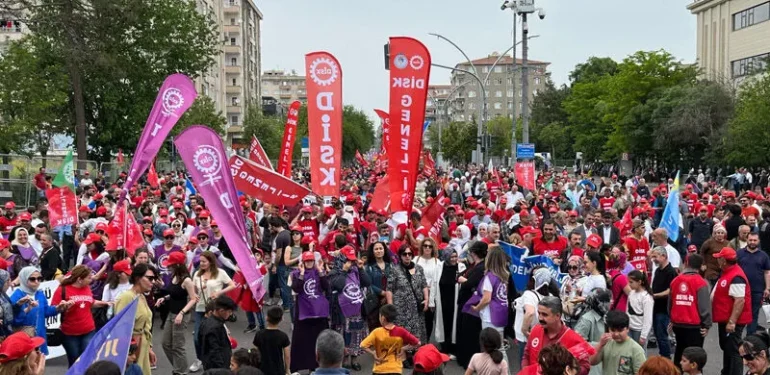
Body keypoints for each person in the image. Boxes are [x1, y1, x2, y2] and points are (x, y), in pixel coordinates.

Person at [52, 265, 112, 367]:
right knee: (74, 361)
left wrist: (104, 303)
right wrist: (63, 307)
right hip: (70, 333)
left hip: (88, 330)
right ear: (80, 279)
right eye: (89, 277)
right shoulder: (62, 290)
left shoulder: (87, 288)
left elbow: (90, 302)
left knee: (87, 359)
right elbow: (54, 309)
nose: (92, 279)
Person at [462, 246, 510, 367]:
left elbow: (486, 298)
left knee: (490, 348)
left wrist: (477, 307)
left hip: (490, 317)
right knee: (500, 348)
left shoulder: (490, 277)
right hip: (501, 314)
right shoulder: (503, 276)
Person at [191, 251, 237, 373]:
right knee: (197, 338)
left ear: (211, 262)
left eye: (203, 261)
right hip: (201, 308)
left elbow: (232, 285)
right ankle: (200, 358)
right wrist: (195, 295)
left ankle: (222, 362)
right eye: (200, 261)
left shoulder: (220, 273)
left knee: (218, 335)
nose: (201, 264)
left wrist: (218, 293)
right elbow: (194, 290)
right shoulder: (197, 274)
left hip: (215, 309)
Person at [10, 266, 71, 355]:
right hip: (24, 338)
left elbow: (45, 311)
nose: (37, 282)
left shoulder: (40, 293)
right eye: (32, 279)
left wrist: (58, 308)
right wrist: (27, 310)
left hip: (39, 336)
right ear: (24, 279)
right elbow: (14, 320)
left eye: (39, 278)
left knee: (39, 365)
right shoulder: (17, 296)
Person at [522, 296, 591, 375]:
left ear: (557, 316)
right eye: (539, 313)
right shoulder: (536, 330)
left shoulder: (574, 339)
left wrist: (573, 372)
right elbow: (526, 354)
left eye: (545, 314)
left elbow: (585, 366)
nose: (540, 318)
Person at [155, 251, 198, 375]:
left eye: (171, 265)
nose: (168, 267)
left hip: (181, 315)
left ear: (177, 265)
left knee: (178, 346)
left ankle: (180, 371)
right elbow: (174, 293)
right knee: (165, 344)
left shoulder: (187, 280)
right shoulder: (174, 277)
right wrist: (165, 298)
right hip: (171, 313)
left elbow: (194, 298)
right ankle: (178, 368)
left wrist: (182, 313)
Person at [711, 246, 752, 375]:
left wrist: (732, 321)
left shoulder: (736, 276)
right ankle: (727, 371)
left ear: (723, 260)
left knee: (734, 350)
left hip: (732, 321)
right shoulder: (729, 272)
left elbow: (740, 301)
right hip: (726, 319)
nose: (717, 260)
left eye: (719, 258)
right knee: (727, 348)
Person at [329, 244, 370, 370]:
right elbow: (338, 285)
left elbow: (367, 282)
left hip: (357, 310)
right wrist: (344, 271)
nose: (351, 263)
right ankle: (344, 359)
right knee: (343, 334)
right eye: (348, 260)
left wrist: (361, 269)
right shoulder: (334, 271)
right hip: (342, 310)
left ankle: (355, 359)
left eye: (352, 260)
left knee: (356, 333)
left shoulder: (356, 270)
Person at [668, 253, 711, 370]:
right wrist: (706, 325)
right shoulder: (701, 282)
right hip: (694, 326)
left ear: (686, 264)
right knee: (696, 358)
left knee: (679, 354)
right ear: (701, 266)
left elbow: (670, 303)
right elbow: (704, 307)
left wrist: (672, 319)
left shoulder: (675, 281)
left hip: (678, 324)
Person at [114, 263, 158, 375]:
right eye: (150, 278)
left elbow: (145, 325)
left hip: (142, 345)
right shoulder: (126, 297)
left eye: (154, 278)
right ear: (138, 278)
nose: (153, 281)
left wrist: (149, 349)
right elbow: (120, 328)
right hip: (131, 349)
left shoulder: (142, 296)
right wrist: (126, 354)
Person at [290, 251, 330, 373]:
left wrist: (320, 270)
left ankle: (316, 366)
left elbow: (326, 287)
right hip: (304, 312)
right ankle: (297, 367)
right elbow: (296, 288)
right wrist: (302, 274)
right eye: (307, 261)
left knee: (319, 340)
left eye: (311, 260)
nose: (309, 263)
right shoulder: (295, 273)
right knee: (302, 341)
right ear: (302, 262)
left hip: (318, 312)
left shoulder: (319, 273)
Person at [386, 244, 428, 345]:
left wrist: (426, 299)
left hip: (417, 308)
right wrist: (390, 306)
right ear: (400, 255)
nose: (407, 256)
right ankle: (403, 356)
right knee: (402, 333)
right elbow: (389, 289)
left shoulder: (419, 269)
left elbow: (424, 285)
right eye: (405, 254)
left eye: (410, 254)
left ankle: (416, 355)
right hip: (401, 309)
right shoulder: (394, 270)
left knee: (417, 333)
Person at [360, 304, 420, 375]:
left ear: (382, 318)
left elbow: (362, 345)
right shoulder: (401, 331)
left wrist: (373, 353)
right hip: (395, 369)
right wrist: (404, 348)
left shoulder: (377, 332)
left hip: (380, 369)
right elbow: (418, 343)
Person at [455, 241, 488, 368]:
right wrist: (463, 279)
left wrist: (464, 280)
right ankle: (465, 358)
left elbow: (469, 283)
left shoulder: (481, 267)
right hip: (466, 302)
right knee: (465, 331)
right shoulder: (475, 265)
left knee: (471, 333)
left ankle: (469, 361)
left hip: (471, 304)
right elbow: (460, 276)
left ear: (474, 253)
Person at [588, 310, 646, 375]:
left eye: (620, 330)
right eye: (612, 330)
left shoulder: (636, 349)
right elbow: (592, 361)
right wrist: (600, 345)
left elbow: (641, 372)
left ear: (627, 329)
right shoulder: (606, 343)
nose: (616, 334)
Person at [737, 232, 770, 335]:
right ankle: (737, 337)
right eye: (750, 240)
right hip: (740, 289)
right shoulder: (739, 253)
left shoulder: (763, 256)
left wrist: (767, 288)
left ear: (758, 241)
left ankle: (750, 339)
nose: (752, 242)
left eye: (755, 240)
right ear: (747, 240)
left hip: (757, 290)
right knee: (739, 313)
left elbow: (767, 272)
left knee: (754, 314)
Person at [649, 246, 677, 359]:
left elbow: (670, 291)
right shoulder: (658, 271)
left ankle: (666, 359)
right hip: (656, 308)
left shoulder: (671, 272)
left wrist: (654, 295)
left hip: (664, 310)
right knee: (658, 335)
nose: (653, 259)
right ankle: (663, 357)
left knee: (662, 336)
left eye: (655, 257)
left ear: (663, 256)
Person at [574, 289, 611, 375]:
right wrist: (599, 344)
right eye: (607, 300)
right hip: (592, 365)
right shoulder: (586, 319)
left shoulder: (606, 316)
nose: (611, 302)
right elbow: (578, 344)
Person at [438, 249, 465, 356]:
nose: (454, 259)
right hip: (443, 301)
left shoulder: (461, 267)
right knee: (444, 324)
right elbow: (436, 284)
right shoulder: (440, 267)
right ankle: (445, 346)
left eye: (455, 256)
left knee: (455, 324)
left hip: (456, 301)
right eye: (451, 257)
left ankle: (454, 347)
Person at [198, 295, 237, 371]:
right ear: (221, 311)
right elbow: (215, 350)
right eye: (229, 312)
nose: (230, 314)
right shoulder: (216, 327)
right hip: (218, 367)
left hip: (208, 362)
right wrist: (223, 368)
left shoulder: (205, 322)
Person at [415, 237, 442, 342]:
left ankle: (426, 342)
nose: (427, 248)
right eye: (425, 246)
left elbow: (439, 278)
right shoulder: (415, 260)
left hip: (432, 294)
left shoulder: (437, 262)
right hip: (418, 293)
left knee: (429, 320)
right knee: (417, 319)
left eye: (430, 246)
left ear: (433, 248)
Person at [253, 306, 291, 375]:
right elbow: (287, 355)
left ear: (266, 318)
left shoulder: (259, 334)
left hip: (262, 368)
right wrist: (287, 369)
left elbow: (255, 351)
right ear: (281, 319)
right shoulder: (283, 336)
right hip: (278, 369)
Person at [365, 241, 393, 331]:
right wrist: (382, 293)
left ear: (384, 250)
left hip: (388, 300)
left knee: (388, 327)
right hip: (374, 301)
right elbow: (368, 283)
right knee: (375, 327)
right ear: (372, 251)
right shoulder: (369, 267)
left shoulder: (391, 266)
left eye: (381, 248)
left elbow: (394, 282)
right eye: (376, 249)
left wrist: (387, 294)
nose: (379, 251)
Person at [0, 269, 13, 340]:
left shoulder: (4, 295)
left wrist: (18, 304)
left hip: (7, 333)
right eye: (7, 281)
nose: (10, 284)